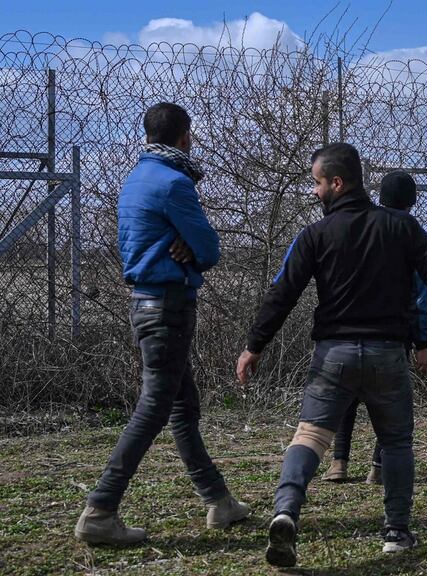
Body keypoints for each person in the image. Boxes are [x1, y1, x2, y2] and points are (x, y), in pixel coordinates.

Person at [236, 143, 427, 568]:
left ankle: (286, 512)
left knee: (310, 437)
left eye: (317, 183)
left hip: (333, 355)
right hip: (389, 352)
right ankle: (396, 532)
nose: (314, 192)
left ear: (337, 182)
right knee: (396, 441)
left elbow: (283, 293)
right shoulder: (401, 227)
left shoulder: (315, 236)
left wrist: (254, 345)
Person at [75, 103, 249, 546]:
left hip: (145, 303)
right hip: (168, 307)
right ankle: (100, 509)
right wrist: (191, 247)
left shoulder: (136, 179)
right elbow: (209, 249)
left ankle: (219, 501)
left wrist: (184, 245)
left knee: (182, 407)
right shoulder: (175, 184)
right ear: (185, 136)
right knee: (155, 406)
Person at [322, 170, 427, 485]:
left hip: (345, 331)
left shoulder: (359, 227)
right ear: (412, 201)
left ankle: (339, 462)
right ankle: (378, 467)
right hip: (391, 336)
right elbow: (421, 300)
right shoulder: (412, 234)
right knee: (390, 405)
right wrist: (422, 343)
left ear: (378, 197)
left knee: (346, 397)